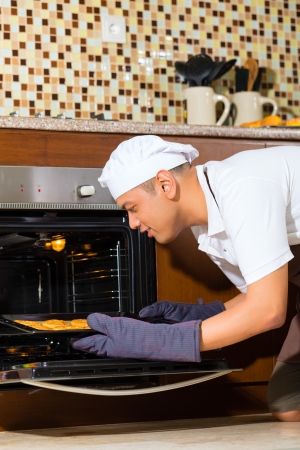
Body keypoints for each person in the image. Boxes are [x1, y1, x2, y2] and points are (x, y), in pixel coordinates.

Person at [72, 135, 300, 422]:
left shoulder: (242, 188)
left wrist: (157, 340)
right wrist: (198, 316)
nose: (132, 223)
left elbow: (269, 311)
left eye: (132, 208)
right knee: (289, 406)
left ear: (165, 184)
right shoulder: (203, 223)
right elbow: (256, 298)